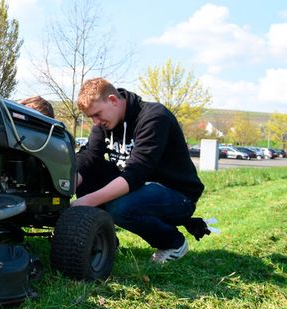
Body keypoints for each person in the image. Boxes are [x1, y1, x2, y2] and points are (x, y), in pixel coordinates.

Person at [73, 78, 205, 263]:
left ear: (113, 100)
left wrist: (87, 201)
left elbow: (137, 171)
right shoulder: (104, 124)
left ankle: (173, 243)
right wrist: (67, 186)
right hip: (141, 186)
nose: (95, 122)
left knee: (119, 207)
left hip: (177, 194)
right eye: (91, 117)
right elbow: (89, 157)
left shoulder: (154, 117)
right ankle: (106, 239)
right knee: (88, 173)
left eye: (97, 114)